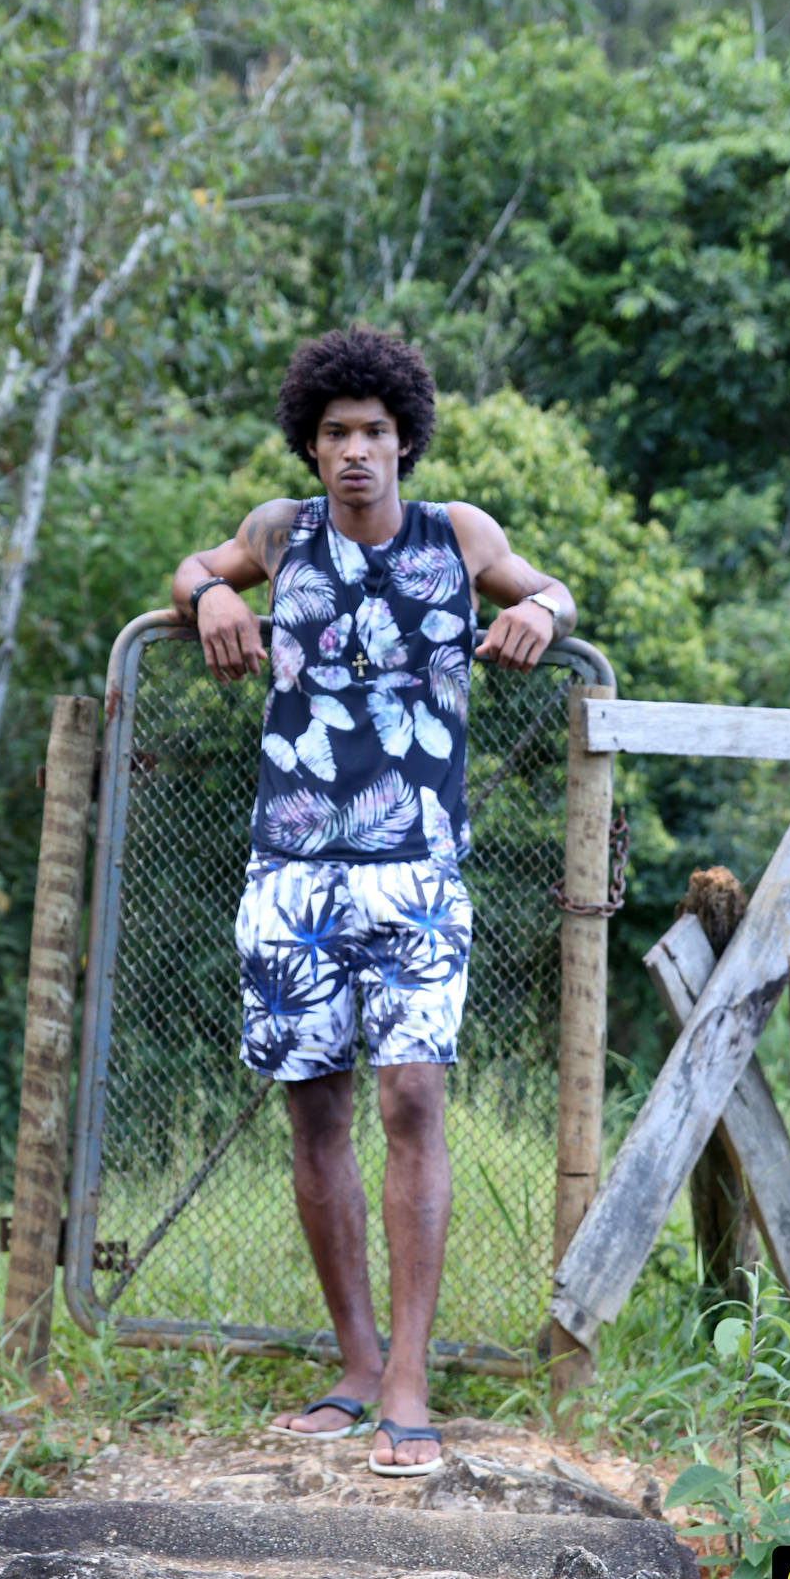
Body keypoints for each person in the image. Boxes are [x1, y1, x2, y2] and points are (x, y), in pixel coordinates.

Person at [171, 327, 576, 1478]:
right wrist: (211, 595)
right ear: (311, 447)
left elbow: (549, 585)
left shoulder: (457, 535)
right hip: (291, 871)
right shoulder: (280, 534)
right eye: (335, 433)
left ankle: (409, 1380)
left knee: (412, 1098)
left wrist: (544, 612)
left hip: (417, 869)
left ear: (405, 442)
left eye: (375, 433)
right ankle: (355, 1367)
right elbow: (194, 567)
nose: (355, 451)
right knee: (315, 1114)